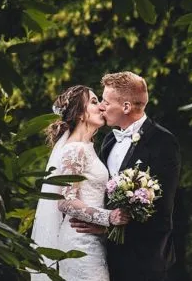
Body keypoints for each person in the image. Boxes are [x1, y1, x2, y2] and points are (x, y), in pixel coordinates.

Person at [70, 72, 181, 281]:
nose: (101, 106)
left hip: (145, 260)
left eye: (105, 101)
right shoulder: (109, 140)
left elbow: (162, 211)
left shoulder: (163, 142)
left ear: (127, 107)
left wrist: (108, 229)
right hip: (106, 258)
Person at [31, 85, 130, 281]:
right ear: (80, 114)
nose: (101, 106)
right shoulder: (75, 150)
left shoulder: (87, 148)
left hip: (92, 239)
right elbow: (66, 201)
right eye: (94, 102)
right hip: (79, 243)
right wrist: (109, 217)